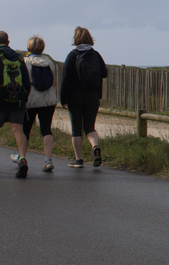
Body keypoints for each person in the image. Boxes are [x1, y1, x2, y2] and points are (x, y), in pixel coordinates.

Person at [0, 31, 31, 178]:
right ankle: (22, 158)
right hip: (17, 101)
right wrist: (23, 98)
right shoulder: (18, 58)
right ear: (8, 42)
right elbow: (27, 82)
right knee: (18, 130)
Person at [60, 27, 108, 169]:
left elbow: (65, 79)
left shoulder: (72, 55)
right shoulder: (95, 55)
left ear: (76, 39)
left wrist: (63, 98)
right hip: (93, 96)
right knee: (90, 127)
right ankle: (95, 146)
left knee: (76, 128)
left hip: (75, 96)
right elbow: (104, 73)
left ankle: (78, 159)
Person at [15, 36, 58, 173]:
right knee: (46, 129)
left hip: (30, 101)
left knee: (25, 130)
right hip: (48, 100)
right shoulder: (49, 62)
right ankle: (48, 160)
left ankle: (22, 157)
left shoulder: (25, 62)